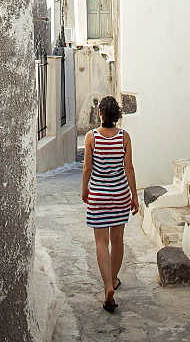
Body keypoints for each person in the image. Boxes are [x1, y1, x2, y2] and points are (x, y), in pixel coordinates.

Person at [82, 95, 139, 312]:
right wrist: (134, 196)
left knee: (100, 242)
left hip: (98, 195)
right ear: (117, 115)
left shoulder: (91, 137)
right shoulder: (124, 137)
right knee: (117, 241)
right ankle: (114, 279)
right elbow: (129, 168)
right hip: (119, 195)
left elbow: (87, 168)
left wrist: (85, 189)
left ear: (100, 114)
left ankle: (107, 286)